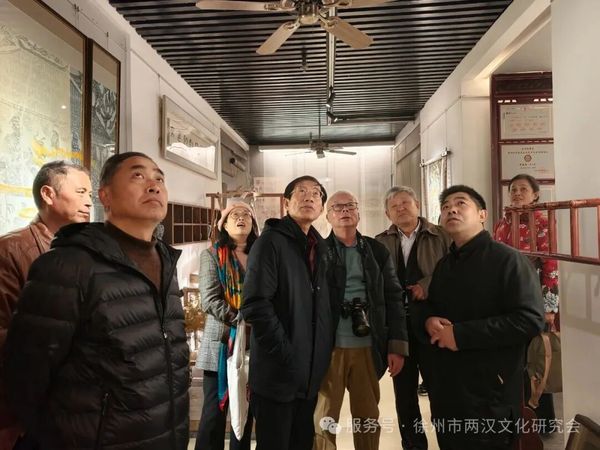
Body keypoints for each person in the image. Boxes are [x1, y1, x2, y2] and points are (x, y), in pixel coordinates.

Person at [4, 152, 189, 450]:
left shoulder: (167, 261)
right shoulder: (68, 265)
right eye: (138, 175)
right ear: (105, 196)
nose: (154, 185)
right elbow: (26, 372)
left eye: (159, 178)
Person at [423, 185, 545, 450]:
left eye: (461, 203)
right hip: (449, 390)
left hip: (491, 394)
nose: (451, 210)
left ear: (482, 214)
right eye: (445, 207)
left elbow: (529, 320)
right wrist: (430, 319)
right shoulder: (445, 265)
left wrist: (460, 335)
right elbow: (435, 306)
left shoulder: (508, 260)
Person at [0, 160, 92, 450]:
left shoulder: (85, 251)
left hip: (74, 410)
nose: (89, 202)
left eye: (90, 194)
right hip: (28, 416)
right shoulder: (12, 250)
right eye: (80, 192)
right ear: (48, 194)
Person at [241, 175, 333, 450]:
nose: (309, 197)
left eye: (316, 193)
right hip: (277, 375)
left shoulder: (320, 247)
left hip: (308, 375)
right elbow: (256, 304)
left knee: (302, 442)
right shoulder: (270, 242)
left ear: (321, 206)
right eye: (301, 192)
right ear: (286, 202)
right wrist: (286, 353)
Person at [314, 190, 408, 450]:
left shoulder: (376, 250)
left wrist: (397, 346)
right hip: (330, 347)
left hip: (368, 345)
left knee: (367, 418)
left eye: (350, 206)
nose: (344, 211)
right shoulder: (318, 252)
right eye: (337, 207)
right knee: (324, 418)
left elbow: (393, 297)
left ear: (358, 212)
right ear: (327, 216)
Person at [375, 186, 450, 450]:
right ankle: (414, 445)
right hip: (398, 327)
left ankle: (449, 442)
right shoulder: (380, 242)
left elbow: (455, 271)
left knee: (441, 393)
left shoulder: (441, 235)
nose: (401, 209)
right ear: (387, 213)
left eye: (405, 203)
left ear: (418, 205)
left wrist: (427, 285)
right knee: (404, 395)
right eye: (394, 206)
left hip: (435, 324)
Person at [493, 173, 559, 425]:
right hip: (506, 298)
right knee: (512, 357)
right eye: (513, 189)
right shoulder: (502, 222)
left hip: (533, 297)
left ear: (535, 194)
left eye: (523, 189)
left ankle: (542, 418)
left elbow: (551, 265)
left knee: (536, 357)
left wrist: (550, 307)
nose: (517, 193)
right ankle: (517, 414)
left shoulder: (542, 222)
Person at [195, 201, 257, 450]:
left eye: (246, 215)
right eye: (235, 215)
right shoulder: (211, 255)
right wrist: (241, 319)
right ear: (224, 225)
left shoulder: (261, 255)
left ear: (253, 224)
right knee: (214, 412)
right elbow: (209, 300)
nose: (241, 218)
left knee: (245, 410)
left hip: (253, 345)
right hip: (220, 344)